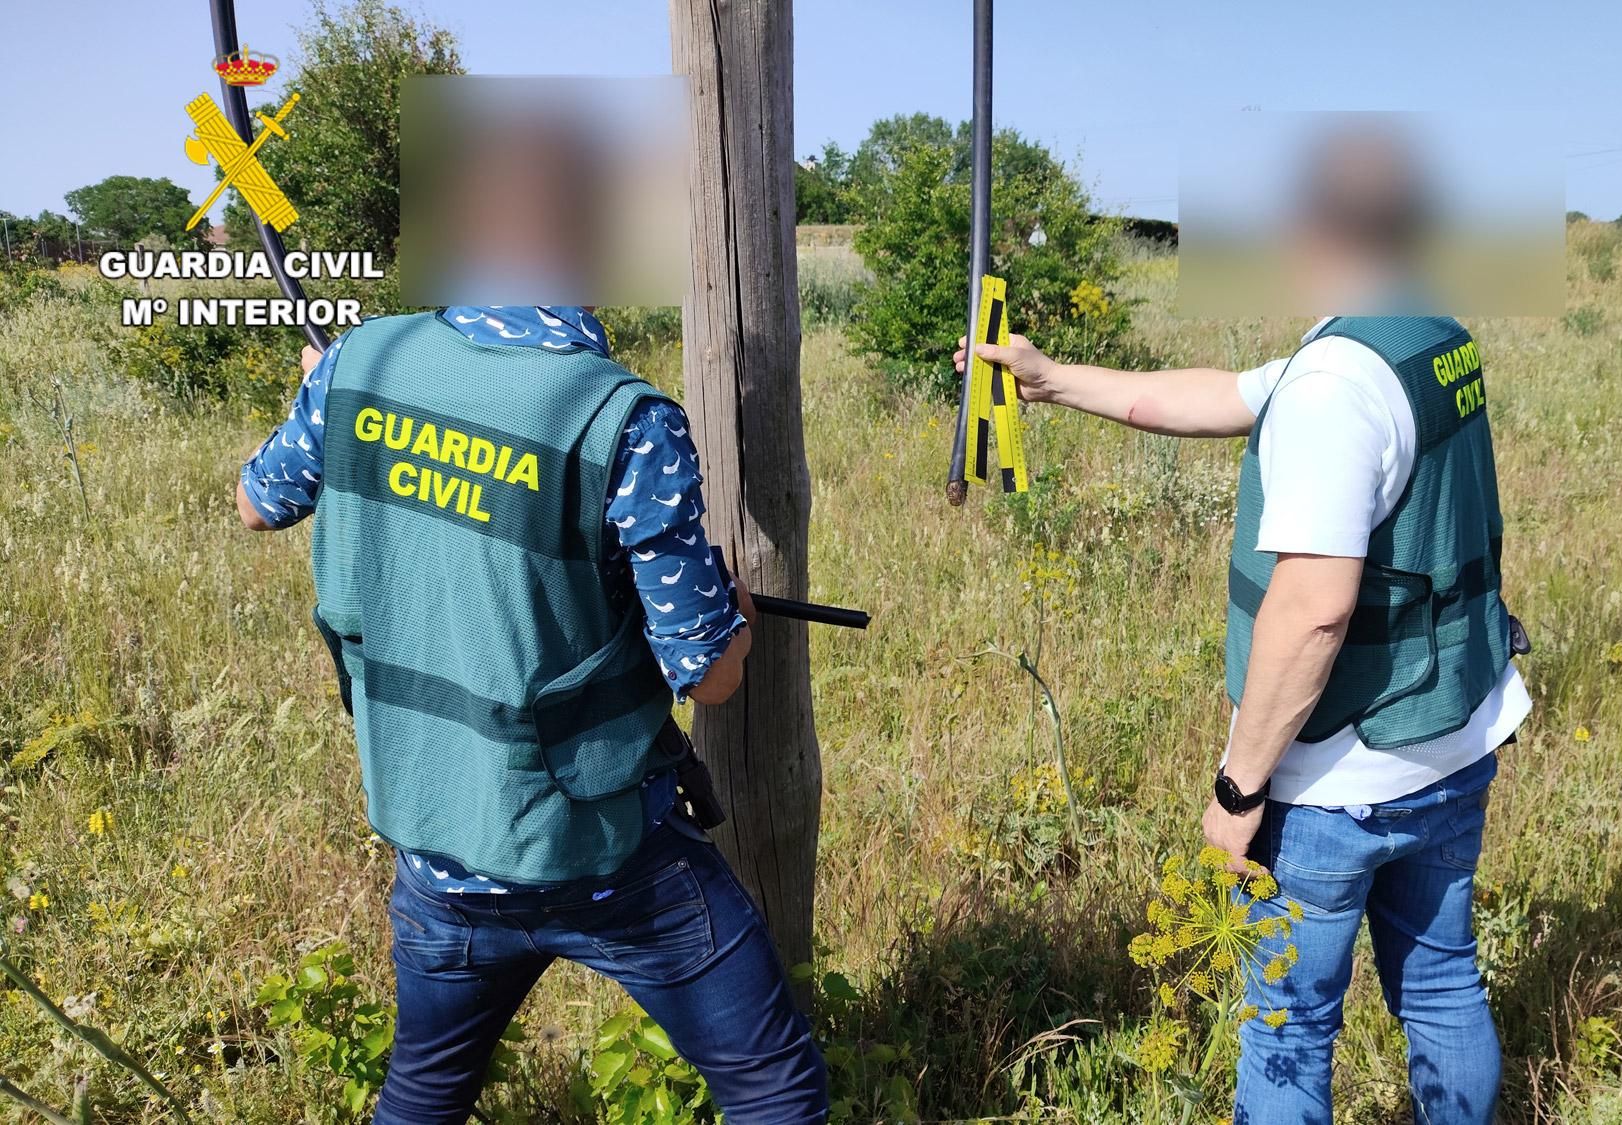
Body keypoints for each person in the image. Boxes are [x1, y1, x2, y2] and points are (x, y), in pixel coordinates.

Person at [955, 127, 1528, 1123]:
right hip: (1451, 736)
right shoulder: (1424, 336)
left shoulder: (1334, 385)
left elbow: (1310, 612)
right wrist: (1049, 379)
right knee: (1439, 985)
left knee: (1287, 1022)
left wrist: (1238, 788)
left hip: (1335, 782)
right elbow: (1228, 396)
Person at [237, 304, 828, 1124]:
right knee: (776, 1089)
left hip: (439, 852)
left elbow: (257, 503)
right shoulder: (629, 421)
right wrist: (733, 620)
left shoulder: (354, 366)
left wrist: (328, 395)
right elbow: (713, 678)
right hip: (610, 862)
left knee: (423, 1093)